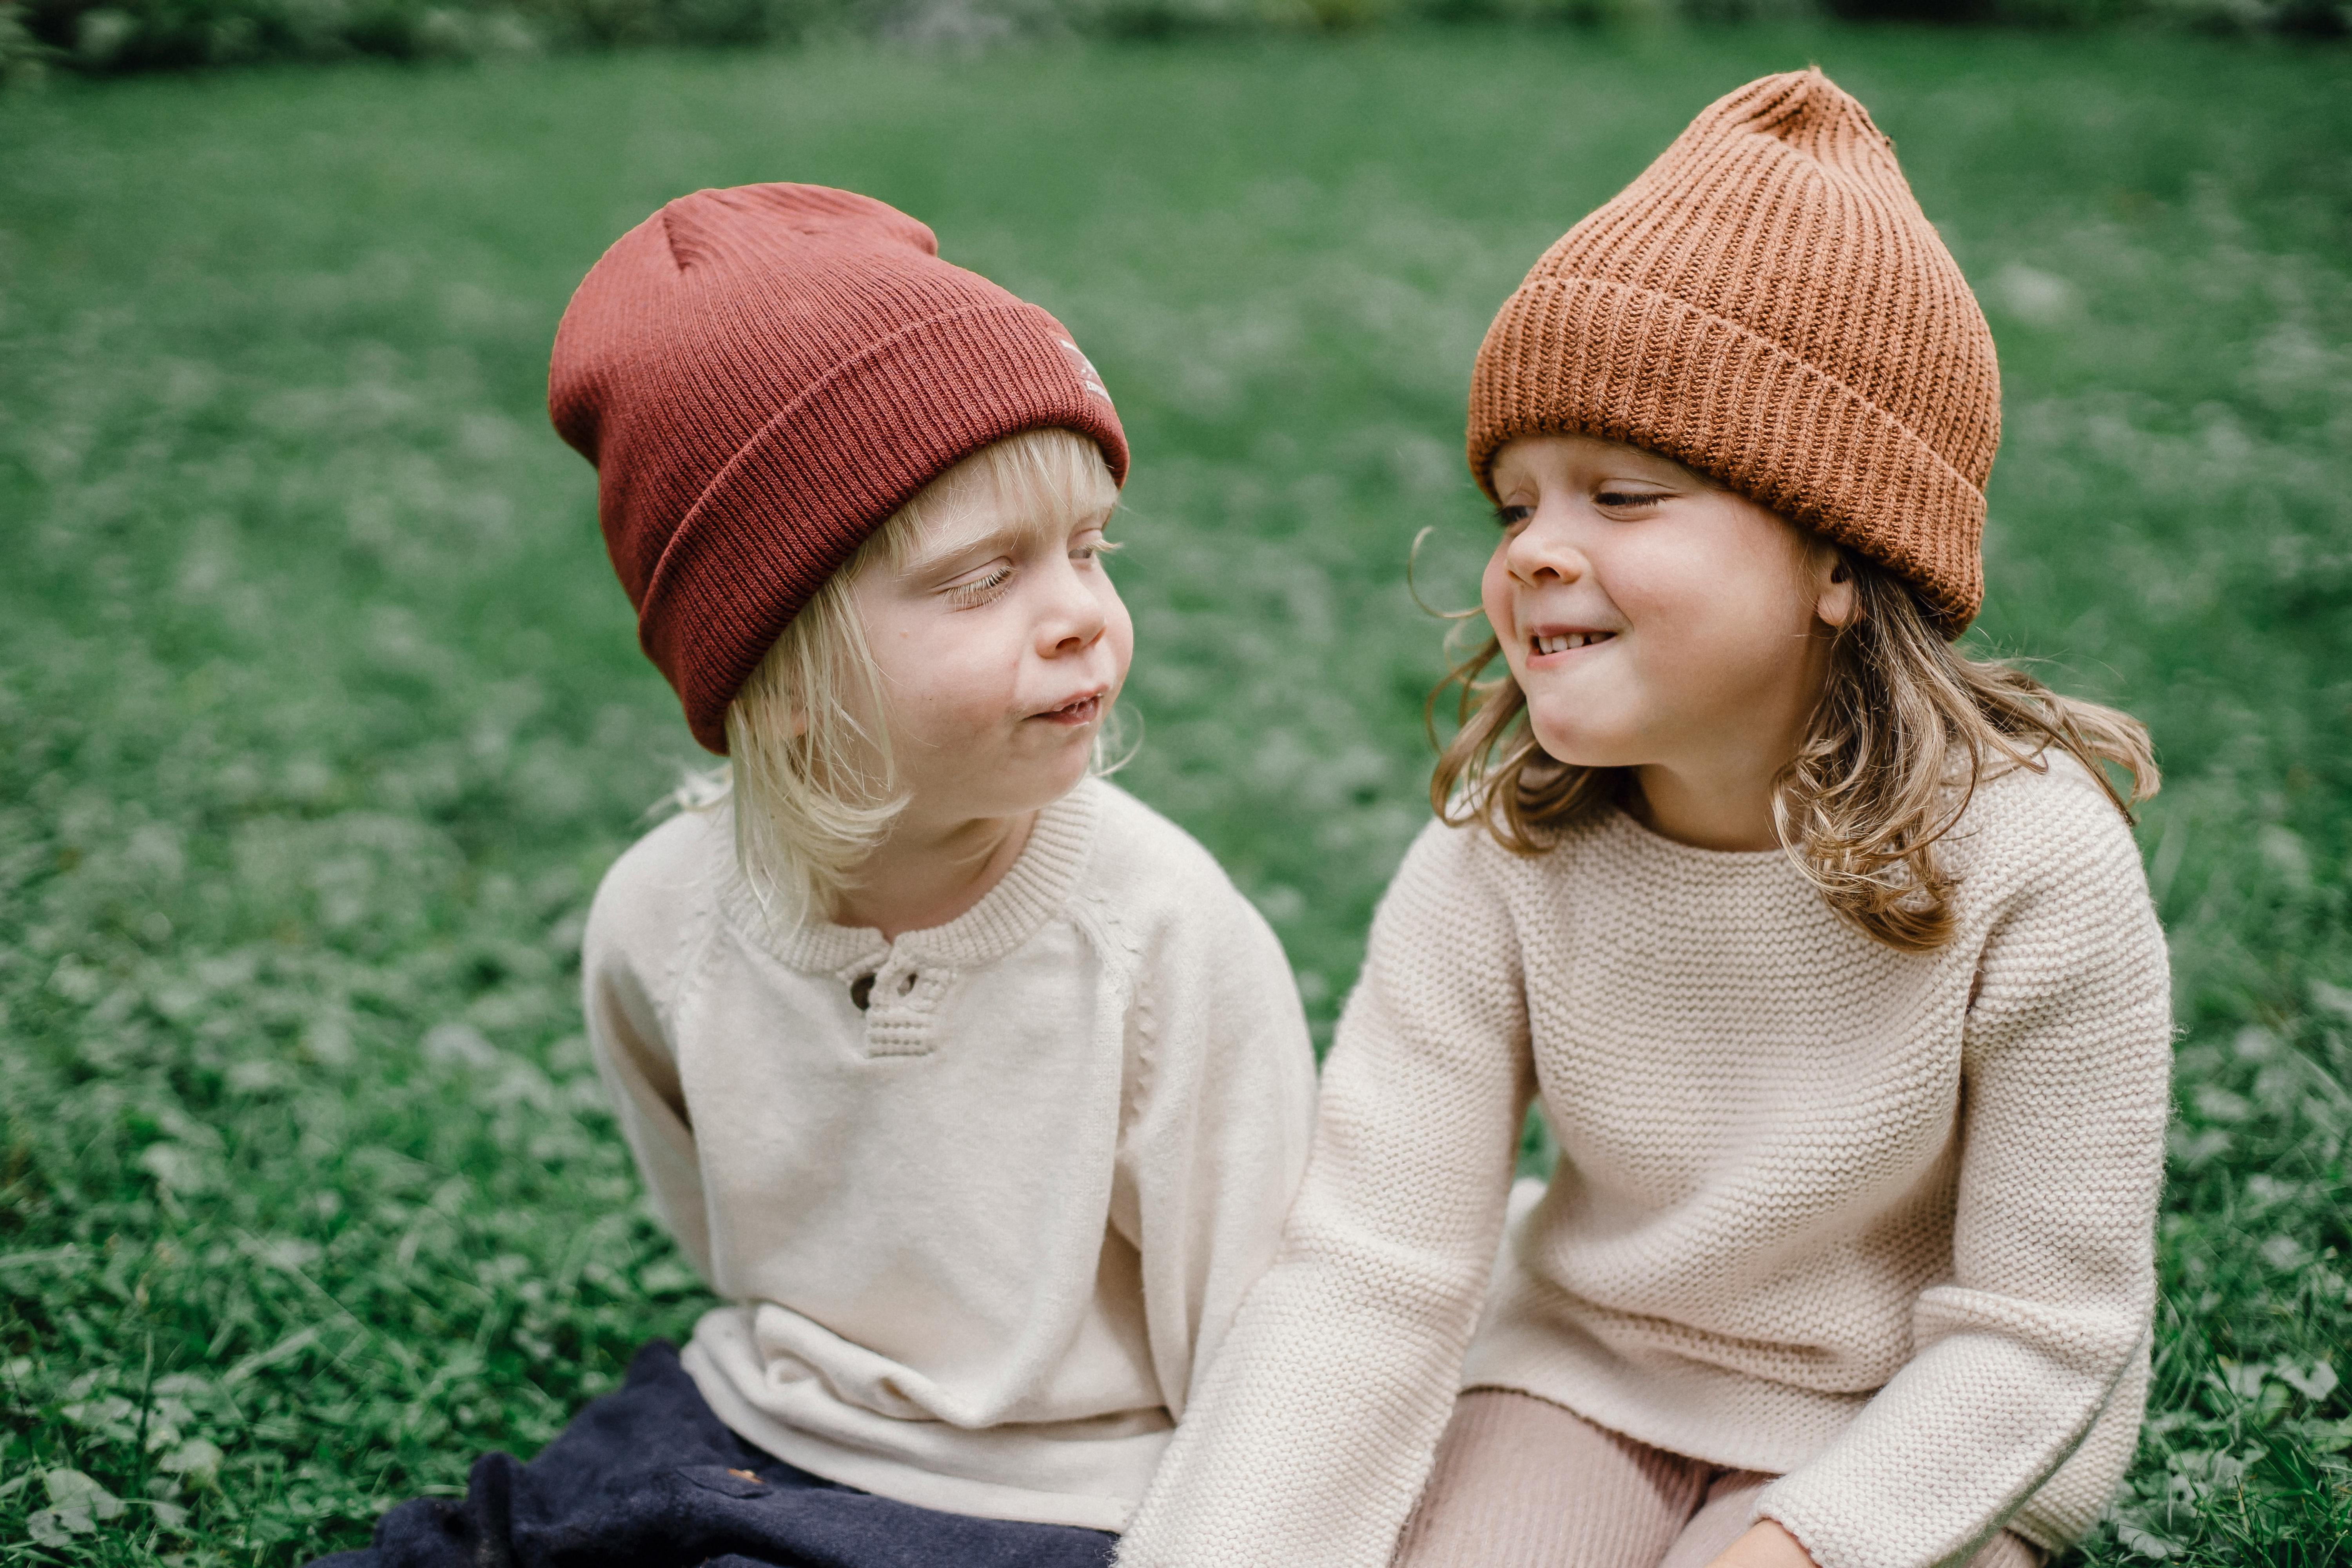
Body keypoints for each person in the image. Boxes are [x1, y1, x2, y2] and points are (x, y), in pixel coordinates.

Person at [1114, 70, 2171, 1568]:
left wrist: (1794, 1547)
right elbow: (1372, 1264)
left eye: (1620, 495)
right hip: (1588, 1378)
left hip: (1912, 1427)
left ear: (1842, 559)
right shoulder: (1506, 858)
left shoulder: (2034, 863)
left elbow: (2042, 1335)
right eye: (1515, 504)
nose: (1539, 551)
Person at [317, 183, 1315, 1568]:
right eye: (987, 578)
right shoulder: (661, 920)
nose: (1083, 615)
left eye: (1090, 550)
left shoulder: (1155, 931)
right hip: (761, 1415)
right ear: (779, 675)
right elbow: (712, 1202)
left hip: (1072, 1486)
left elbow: (1266, 1343)